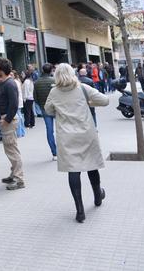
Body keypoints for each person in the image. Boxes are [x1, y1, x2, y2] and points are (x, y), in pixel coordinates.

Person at [44, 63, 110, 223]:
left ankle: (80, 211)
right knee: (91, 165)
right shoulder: (83, 88)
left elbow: (48, 110)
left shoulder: (54, 92)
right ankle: (97, 196)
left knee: (73, 170)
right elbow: (105, 100)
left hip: (67, 137)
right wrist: (89, 103)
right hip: (86, 134)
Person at [0, 57, 25, 190]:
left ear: (1, 69)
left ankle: (19, 180)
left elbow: (14, 104)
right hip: (6, 119)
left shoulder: (10, 84)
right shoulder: (3, 82)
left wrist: (6, 120)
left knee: (12, 150)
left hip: (9, 120)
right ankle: (14, 174)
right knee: (10, 149)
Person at [33, 63, 57, 161]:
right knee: (62, 129)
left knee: (49, 131)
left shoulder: (37, 82)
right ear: (51, 70)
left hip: (45, 109)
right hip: (56, 108)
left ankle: (54, 153)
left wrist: (41, 106)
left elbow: (35, 97)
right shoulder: (54, 80)